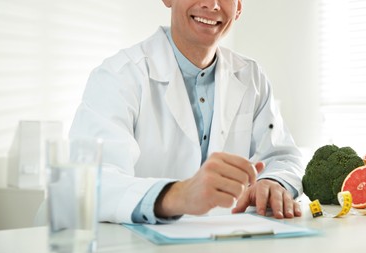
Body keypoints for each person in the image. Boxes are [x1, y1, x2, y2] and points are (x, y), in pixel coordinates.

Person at [69, 0, 304, 224]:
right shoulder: (118, 76)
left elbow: (282, 156)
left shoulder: (252, 76)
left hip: (227, 243)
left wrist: (273, 181)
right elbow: (90, 181)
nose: (211, 5)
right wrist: (178, 195)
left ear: (239, 8)